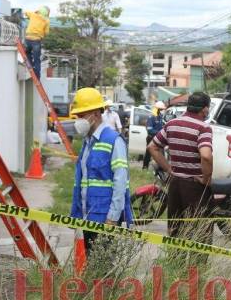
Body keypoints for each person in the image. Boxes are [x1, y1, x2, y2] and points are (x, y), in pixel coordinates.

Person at [69, 88, 133, 254]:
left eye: (82, 116)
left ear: (96, 113)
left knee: (102, 270)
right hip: (87, 215)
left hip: (104, 218)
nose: (79, 120)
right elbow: (82, 181)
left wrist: (112, 217)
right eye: (77, 116)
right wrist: (76, 214)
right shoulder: (88, 141)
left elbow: (121, 181)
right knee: (93, 267)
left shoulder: (113, 140)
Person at [147, 92, 213, 241]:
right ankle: (197, 265)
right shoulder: (204, 128)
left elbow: (152, 147)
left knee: (175, 231)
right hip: (196, 187)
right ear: (205, 109)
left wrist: (169, 169)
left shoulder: (172, 124)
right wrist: (206, 178)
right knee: (200, 235)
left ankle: (175, 262)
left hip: (175, 185)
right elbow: (206, 155)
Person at [24, 6, 50, 79]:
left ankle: (31, 66)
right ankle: (37, 77)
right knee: (37, 59)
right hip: (37, 40)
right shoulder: (46, 21)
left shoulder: (33, 15)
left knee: (27, 53)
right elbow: (46, 33)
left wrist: (35, 12)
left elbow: (25, 12)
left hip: (28, 38)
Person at [143, 101, 167, 170]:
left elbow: (161, 126)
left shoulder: (160, 116)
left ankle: (161, 168)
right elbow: (149, 129)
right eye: (161, 109)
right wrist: (159, 132)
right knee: (148, 153)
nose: (162, 111)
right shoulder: (152, 117)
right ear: (157, 109)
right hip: (151, 138)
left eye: (162, 109)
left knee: (161, 153)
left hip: (159, 138)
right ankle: (145, 167)